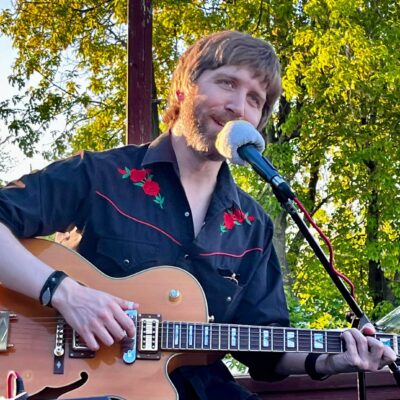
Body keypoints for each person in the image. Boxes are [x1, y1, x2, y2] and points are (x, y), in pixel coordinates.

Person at [0, 30, 396, 399]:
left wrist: (332, 359)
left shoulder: (252, 225)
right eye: (227, 83)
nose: (238, 106)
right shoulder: (99, 175)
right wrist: (65, 293)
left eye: (255, 99)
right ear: (182, 89)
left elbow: (267, 347)